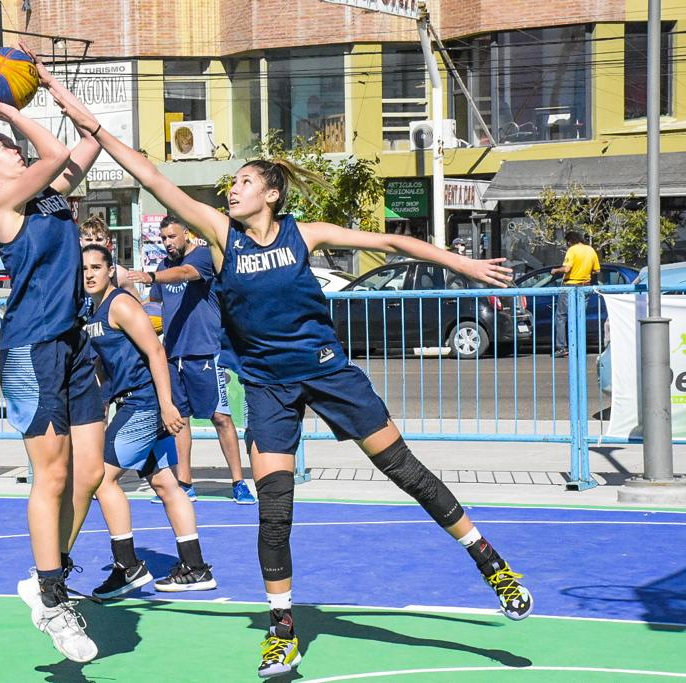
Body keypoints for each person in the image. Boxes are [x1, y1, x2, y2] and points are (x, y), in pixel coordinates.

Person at [46, 78, 534, 679]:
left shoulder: (306, 234)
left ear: (271, 194)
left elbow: (387, 239)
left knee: (404, 470)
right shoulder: (220, 238)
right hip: (269, 389)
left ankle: (489, 560)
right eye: (234, 182)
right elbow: (150, 175)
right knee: (274, 511)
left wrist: (464, 262)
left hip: (327, 373)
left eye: (246, 182)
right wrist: (81, 116)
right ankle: (281, 631)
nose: (234, 187)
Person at [0, 48, 105, 664]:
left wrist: (50, 84)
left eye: (12, 143)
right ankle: (51, 598)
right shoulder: (1, 208)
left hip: (71, 341)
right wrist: (16, 115)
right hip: (31, 347)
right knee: (52, 474)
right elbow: (50, 155)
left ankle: (49, 576)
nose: (14, 152)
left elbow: (89, 138)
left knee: (91, 473)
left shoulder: (50, 194)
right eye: (2, 149)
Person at [82, 245, 218, 599]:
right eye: (84, 268)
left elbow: (156, 350)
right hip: (135, 403)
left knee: (101, 478)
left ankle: (127, 565)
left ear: (111, 270)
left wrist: (166, 404)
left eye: (96, 266)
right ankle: (195, 566)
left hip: (143, 403)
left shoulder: (121, 304)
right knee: (165, 484)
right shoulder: (94, 311)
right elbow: (105, 367)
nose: (90, 274)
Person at [126, 215, 255, 505]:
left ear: (186, 233)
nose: (167, 243)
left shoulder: (203, 257)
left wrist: (151, 277)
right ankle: (185, 483)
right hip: (173, 355)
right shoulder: (162, 266)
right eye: (163, 239)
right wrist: (127, 307)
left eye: (172, 237)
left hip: (205, 352)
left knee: (221, 418)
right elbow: (155, 307)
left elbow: (186, 274)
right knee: (178, 421)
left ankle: (239, 482)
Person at [550, 230, 600, 358]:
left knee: (561, 316)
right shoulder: (590, 250)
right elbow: (596, 270)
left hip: (569, 286)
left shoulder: (572, 250)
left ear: (569, 241)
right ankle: (579, 346)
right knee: (579, 317)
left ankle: (561, 347)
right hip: (585, 287)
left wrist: (555, 270)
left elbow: (567, 268)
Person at [79, 215, 134, 290]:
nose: (94, 244)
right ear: (81, 241)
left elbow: (135, 301)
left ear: (107, 241)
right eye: (89, 240)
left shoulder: (120, 275)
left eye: (99, 240)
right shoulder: (71, 272)